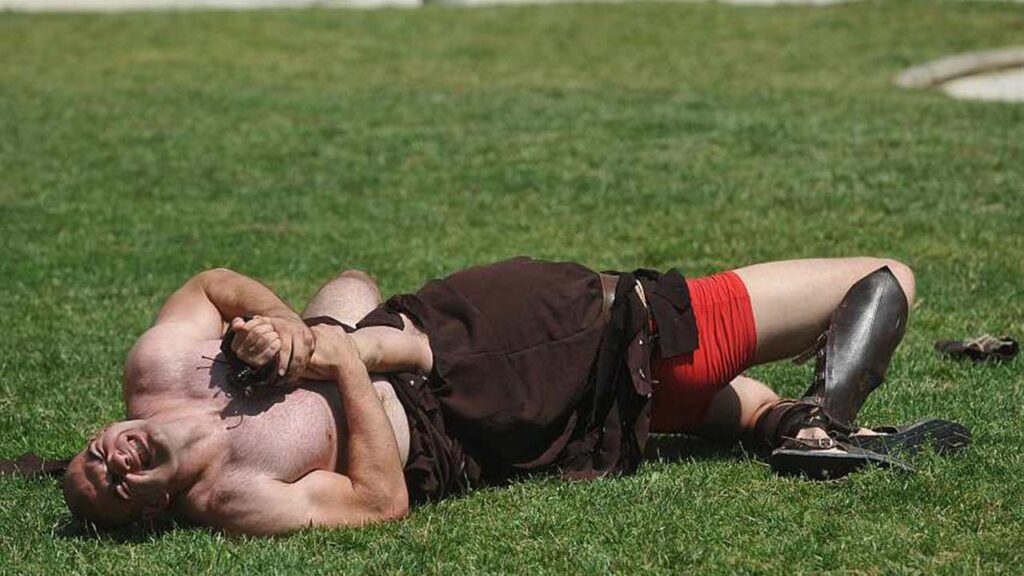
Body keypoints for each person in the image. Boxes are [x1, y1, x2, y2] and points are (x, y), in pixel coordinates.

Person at [61, 256, 966, 535]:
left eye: (95, 455)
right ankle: (822, 425)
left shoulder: (159, 370)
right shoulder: (238, 500)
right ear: (151, 508)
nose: (113, 461)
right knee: (889, 276)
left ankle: (785, 423)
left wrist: (289, 327)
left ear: (104, 428)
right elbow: (380, 504)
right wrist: (342, 363)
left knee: (726, 401)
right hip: (550, 342)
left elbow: (213, 283)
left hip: (501, 366)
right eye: (114, 485)